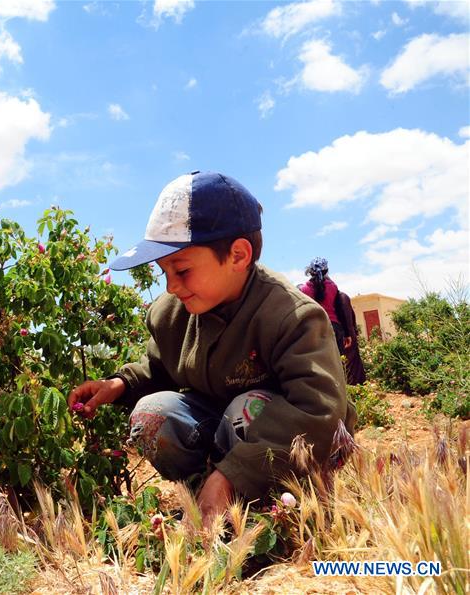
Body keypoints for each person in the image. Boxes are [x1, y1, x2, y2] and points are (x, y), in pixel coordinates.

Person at [68, 171, 355, 526]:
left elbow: (319, 411)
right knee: (152, 414)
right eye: (164, 273)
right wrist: (119, 384)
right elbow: (158, 365)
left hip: (291, 444)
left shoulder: (292, 316)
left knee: (245, 409)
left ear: (238, 255)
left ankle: (269, 508)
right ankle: (208, 504)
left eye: (183, 270)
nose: (172, 286)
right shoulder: (172, 312)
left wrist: (233, 474)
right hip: (222, 430)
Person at [299, 258, 366, 385]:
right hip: (335, 328)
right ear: (327, 271)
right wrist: (347, 334)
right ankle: (342, 390)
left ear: (309, 271)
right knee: (338, 363)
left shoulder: (304, 289)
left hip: (315, 328)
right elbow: (340, 310)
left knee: (319, 362)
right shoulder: (333, 287)